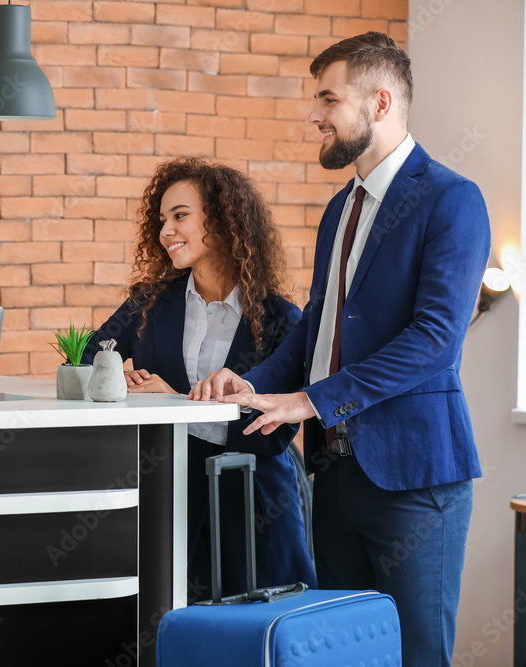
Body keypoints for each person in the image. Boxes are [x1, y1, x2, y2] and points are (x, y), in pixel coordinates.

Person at [193, 33, 489, 666]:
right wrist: (251, 382)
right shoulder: (339, 211)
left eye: (329, 98)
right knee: (343, 657)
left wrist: (311, 400)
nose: (315, 114)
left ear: (380, 104)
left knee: (414, 657)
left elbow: (435, 341)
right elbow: (316, 331)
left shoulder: (452, 200)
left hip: (415, 481)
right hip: (334, 475)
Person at [83, 157, 316, 602]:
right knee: (179, 633)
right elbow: (90, 356)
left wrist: (174, 403)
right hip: (173, 498)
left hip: (255, 506)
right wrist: (120, 380)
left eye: (180, 216)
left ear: (224, 220)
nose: (165, 230)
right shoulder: (149, 304)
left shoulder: (282, 319)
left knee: (264, 641)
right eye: (162, 220)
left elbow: (272, 432)